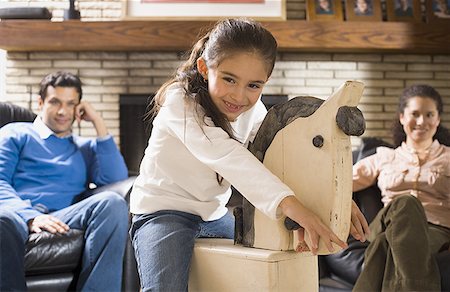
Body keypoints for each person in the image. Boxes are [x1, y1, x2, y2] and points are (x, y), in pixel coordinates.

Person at [129, 18, 369, 291]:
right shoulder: (179, 101)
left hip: (214, 216)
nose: (239, 96)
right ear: (205, 68)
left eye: (253, 86)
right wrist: (295, 208)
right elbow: (231, 158)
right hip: (162, 212)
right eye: (229, 79)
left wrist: (334, 197)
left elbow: (276, 161)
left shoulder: (255, 113)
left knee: (257, 271)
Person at [0, 71, 129, 291]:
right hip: (19, 214)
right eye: (55, 102)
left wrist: (98, 122)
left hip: (65, 217)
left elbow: (115, 179)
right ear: (40, 102)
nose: (63, 111)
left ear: (79, 109)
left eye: (71, 104)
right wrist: (31, 217)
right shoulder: (16, 133)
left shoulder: (84, 147)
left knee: (113, 203)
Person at [352, 84, 450, 291]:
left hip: (435, 231)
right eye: (415, 114)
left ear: (438, 120)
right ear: (402, 117)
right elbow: (340, 181)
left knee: (384, 247)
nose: (422, 121)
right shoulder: (385, 157)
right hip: (387, 223)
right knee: (406, 203)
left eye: (429, 114)